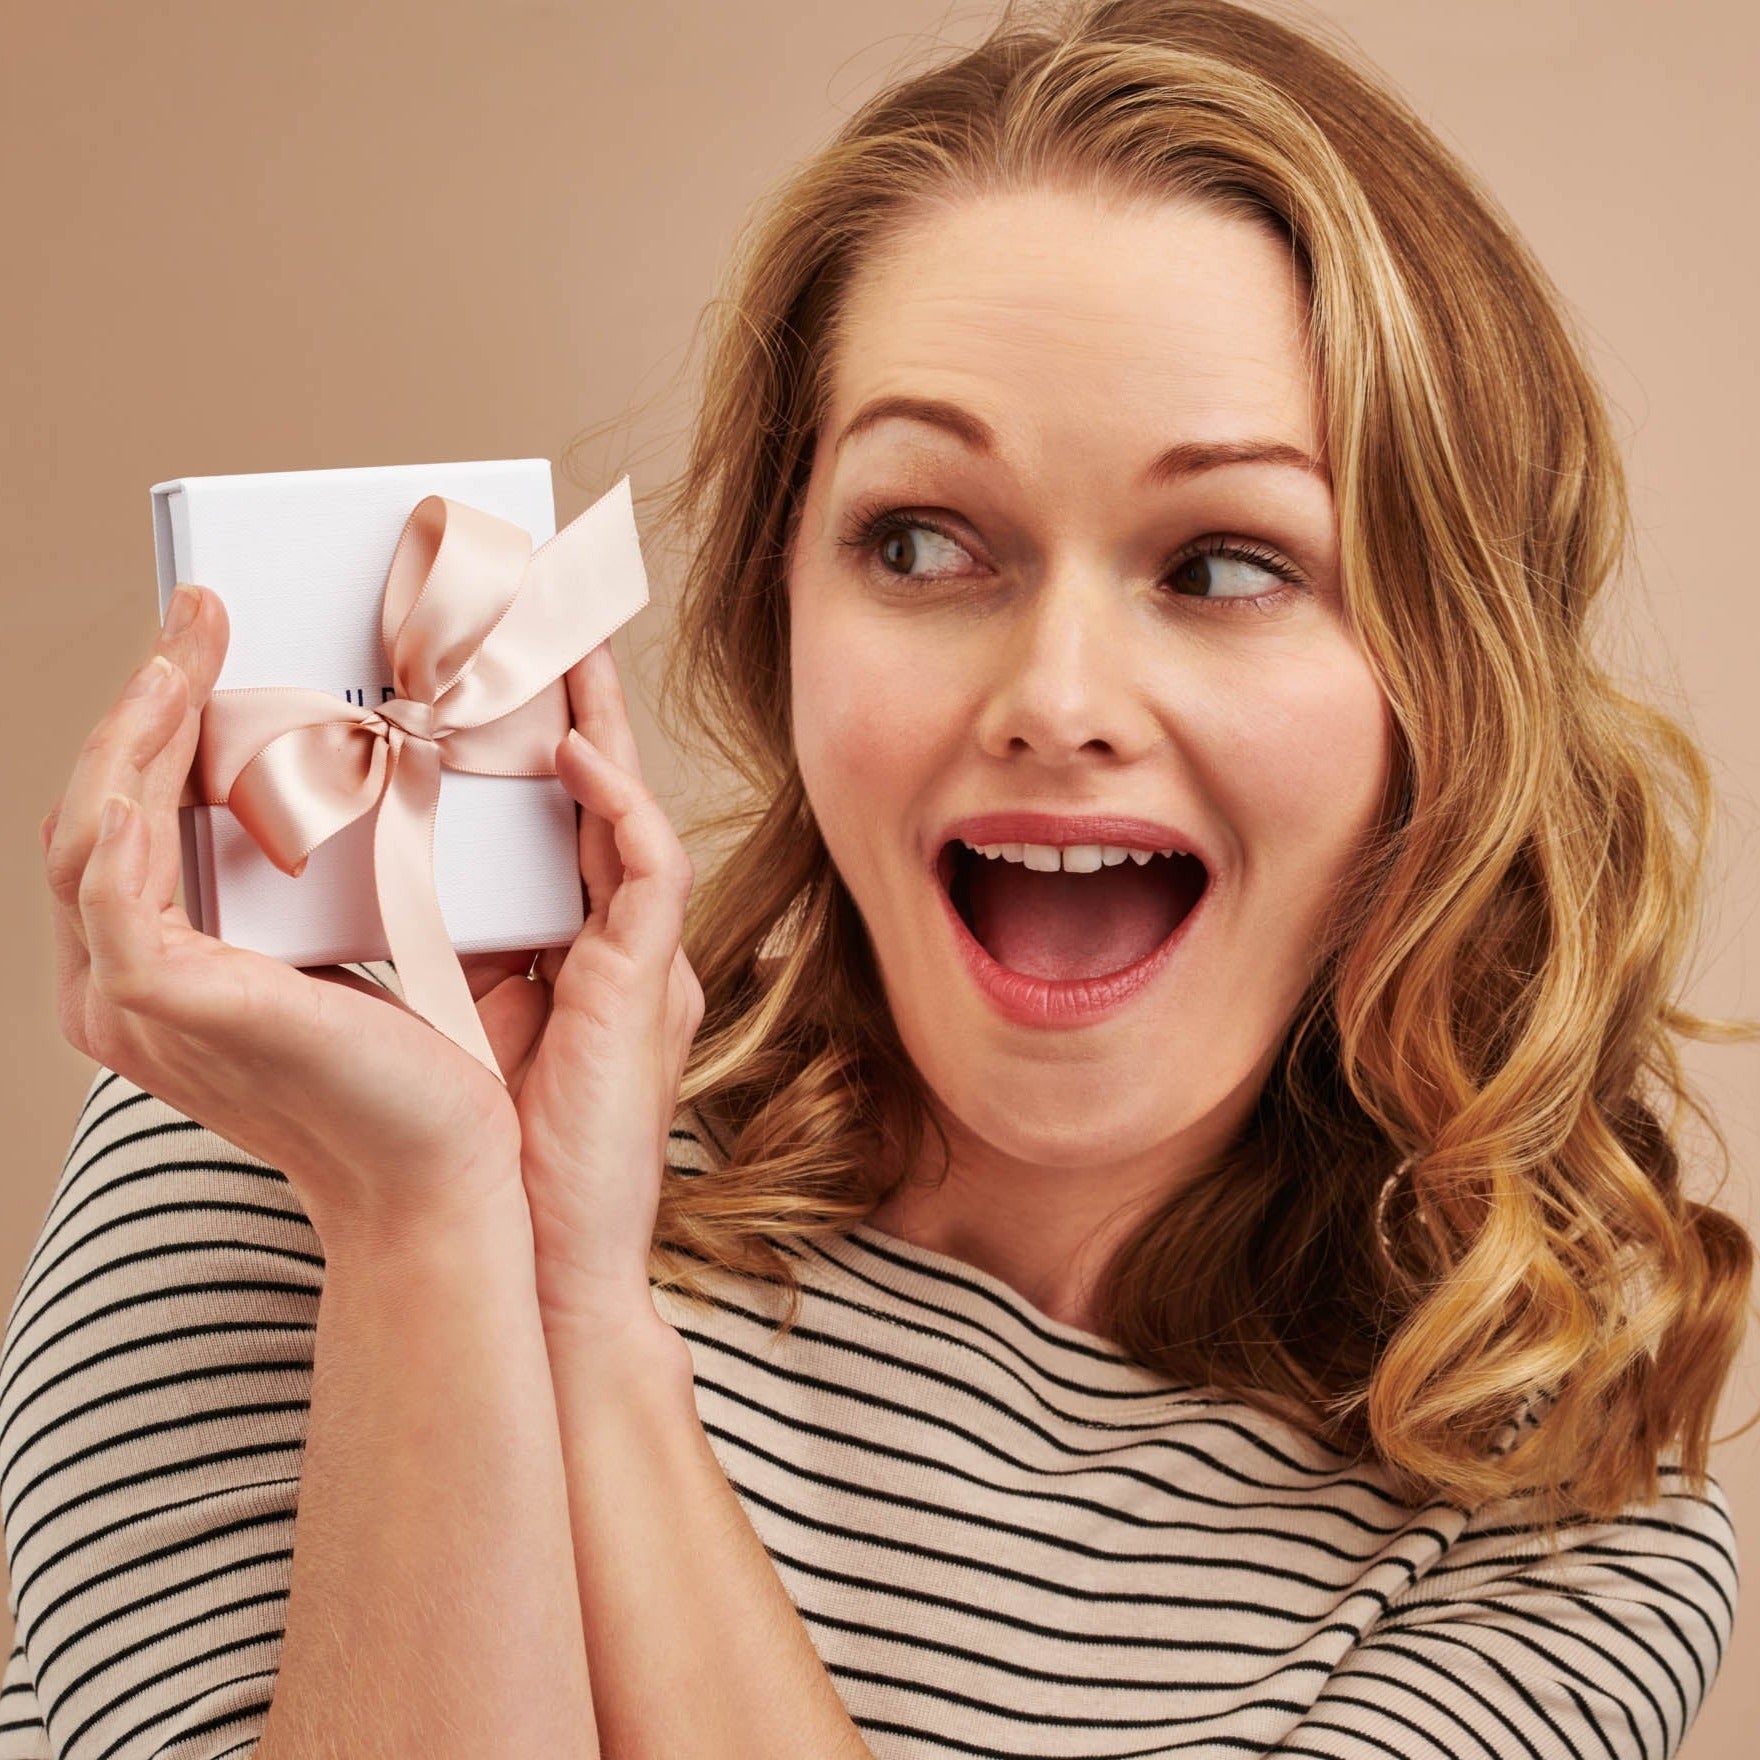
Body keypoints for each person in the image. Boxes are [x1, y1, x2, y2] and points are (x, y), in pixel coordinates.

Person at [4, 0, 1751, 1754]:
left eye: (1225, 563)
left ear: (1450, 683)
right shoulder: (302, 1118)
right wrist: (420, 1230)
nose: (1058, 704)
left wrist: (586, 1321)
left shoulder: (1551, 1546)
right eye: (921, 542)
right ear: (784, 609)